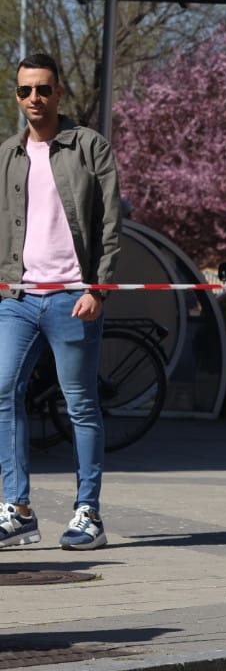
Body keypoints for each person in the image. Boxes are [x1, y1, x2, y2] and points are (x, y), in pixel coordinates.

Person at [0, 53, 121, 551]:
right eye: (26, 90)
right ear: (16, 95)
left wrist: (98, 287)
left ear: (59, 93)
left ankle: (88, 512)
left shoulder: (88, 146)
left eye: (44, 90)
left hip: (73, 296)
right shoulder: (8, 153)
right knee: (4, 393)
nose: (35, 99)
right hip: (19, 298)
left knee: (80, 407)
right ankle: (18, 509)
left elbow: (111, 225)